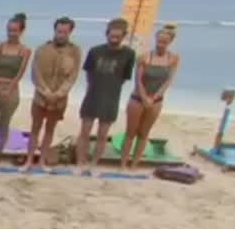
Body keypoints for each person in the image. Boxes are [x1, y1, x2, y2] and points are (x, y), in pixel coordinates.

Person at [76, 18, 136, 173]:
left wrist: (111, 87)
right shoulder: (95, 51)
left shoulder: (129, 54)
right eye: (111, 36)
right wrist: (95, 87)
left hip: (111, 98)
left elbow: (124, 78)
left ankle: (94, 163)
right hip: (92, 95)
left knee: (102, 134)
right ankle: (80, 161)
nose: (114, 39)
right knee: (84, 131)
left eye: (118, 37)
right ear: (106, 33)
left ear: (124, 36)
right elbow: (88, 74)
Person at [25, 17, 82, 172]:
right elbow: (35, 73)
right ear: (54, 30)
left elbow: (73, 76)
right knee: (35, 129)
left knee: (50, 129)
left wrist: (59, 93)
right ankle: (29, 160)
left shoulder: (75, 51)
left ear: (70, 32)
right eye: (59, 31)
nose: (61, 35)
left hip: (59, 100)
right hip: (40, 97)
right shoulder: (42, 49)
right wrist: (46, 92)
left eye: (64, 32)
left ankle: (42, 161)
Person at [122, 24, 181, 169]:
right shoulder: (144, 57)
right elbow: (138, 80)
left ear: (170, 42)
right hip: (138, 98)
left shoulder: (173, 58)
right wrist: (144, 97)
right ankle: (123, 163)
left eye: (164, 42)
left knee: (144, 133)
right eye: (159, 41)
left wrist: (154, 98)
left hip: (156, 100)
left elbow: (168, 81)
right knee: (130, 132)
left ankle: (135, 164)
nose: (161, 44)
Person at [0, 13, 32, 165]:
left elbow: (20, 74)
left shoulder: (25, 51)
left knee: (4, 125)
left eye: (14, 30)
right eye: (9, 30)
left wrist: (8, 90)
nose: (11, 33)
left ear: (21, 31)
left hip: (12, 89)